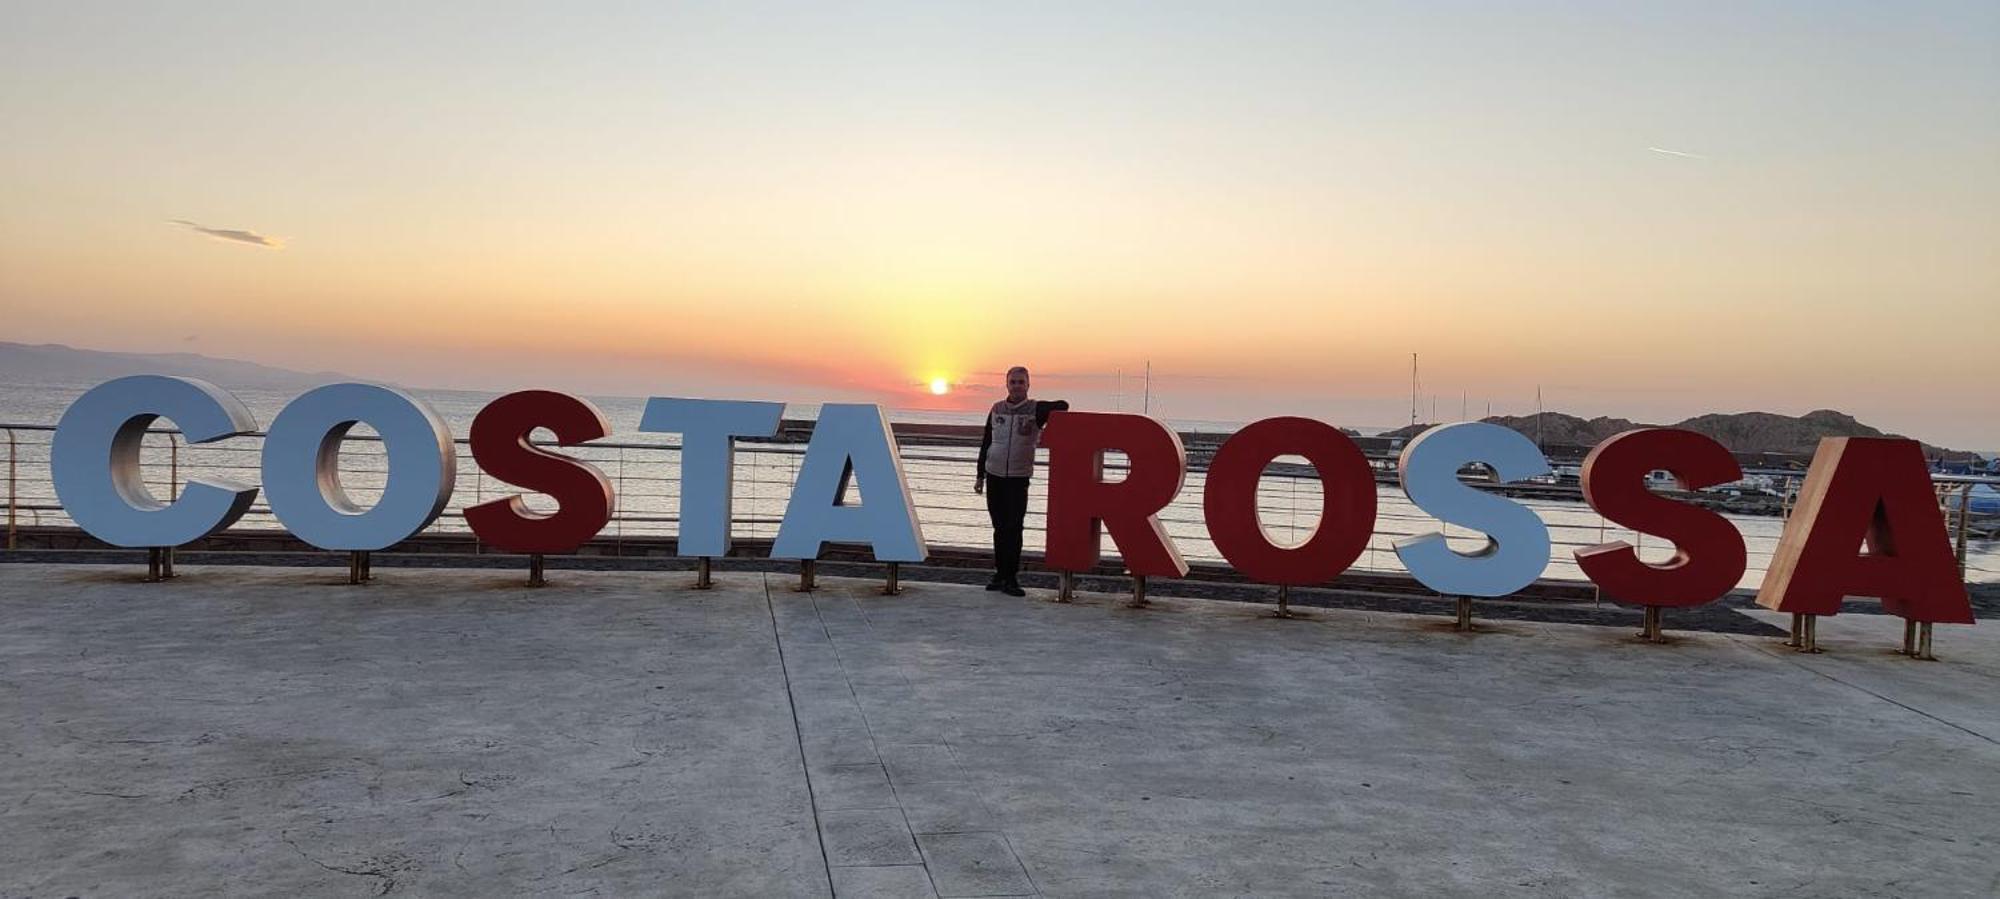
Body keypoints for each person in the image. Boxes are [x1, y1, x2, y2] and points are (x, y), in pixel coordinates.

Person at [975, 366, 1068, 597]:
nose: (1016, 386)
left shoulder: (1036, 409)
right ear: (1006, 384)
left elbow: (1063, 405)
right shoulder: (996, 409)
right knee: (999, 528)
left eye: (1021, 382)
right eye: (1013, 382)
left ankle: (1011, 578)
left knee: (1014, 528)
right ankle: (999, 575)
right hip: (994, 474)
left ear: (1028, 385)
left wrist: (1037, 416)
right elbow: (986, 440)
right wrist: (980, 475)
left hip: (1018, 477)